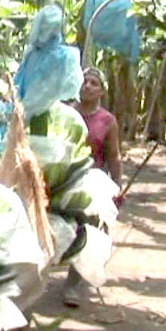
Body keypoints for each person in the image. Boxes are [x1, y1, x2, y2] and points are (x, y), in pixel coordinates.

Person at [63, 66, 123, 308]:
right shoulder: (66, 113)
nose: (87, 86)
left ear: (101, 91)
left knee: (86, 230)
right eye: (84, 81)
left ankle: (72, 285)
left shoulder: (107, 121)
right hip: (64, 177)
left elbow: (113, 155)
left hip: (91, 180)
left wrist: (117, 187)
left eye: (93, 83)